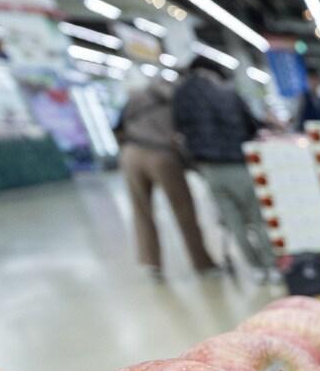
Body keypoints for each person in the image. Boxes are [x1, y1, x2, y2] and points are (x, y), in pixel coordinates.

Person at [172, 58, 277, 280]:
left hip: (209, 169)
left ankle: (255, 268)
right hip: (239, 164)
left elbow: (179, 131)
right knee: (256, 218)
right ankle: (271, 266)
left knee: (233, 220)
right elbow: (252, 126)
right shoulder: (228, 93)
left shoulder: (181, 95)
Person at [114, 77, 218, 280]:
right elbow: (185, 132)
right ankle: (202, 263)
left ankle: (152, 264)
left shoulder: (133, 99)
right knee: (184, 211)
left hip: (130, 154)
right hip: (163, 156)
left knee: (141, 211)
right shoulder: (175, 98)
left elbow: (117, 128)